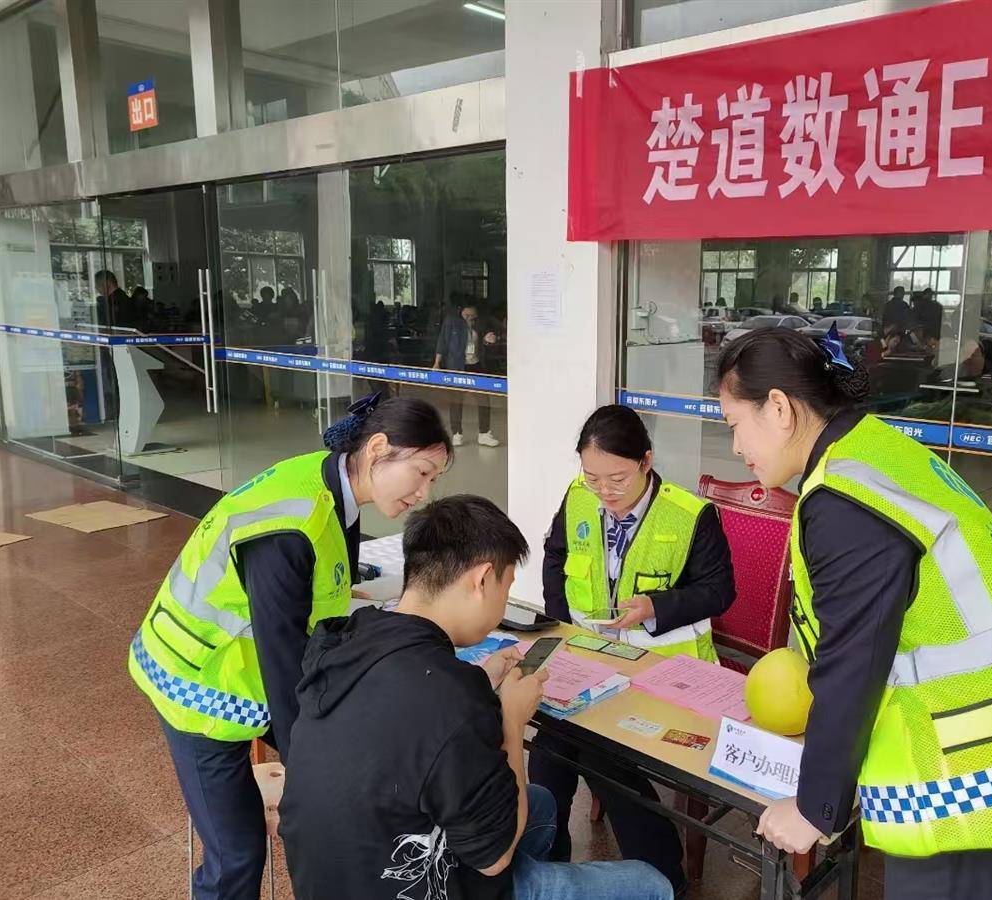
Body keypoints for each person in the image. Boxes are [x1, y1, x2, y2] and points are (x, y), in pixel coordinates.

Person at [715, 327, 992, 900]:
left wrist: (815, 806)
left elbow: (855, 661)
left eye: (734, 423)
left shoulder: (844, 499)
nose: (735, 446)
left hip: (972, 776)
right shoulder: (874, 449)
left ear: (778, 408)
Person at [128, 395, 452, 900]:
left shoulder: (333, 483)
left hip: (239, 674)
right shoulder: (293, 525)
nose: (425, 492)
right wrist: (312, 774)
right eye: (422, 472)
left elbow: (316, 606)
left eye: (434, 479)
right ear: (377, 449)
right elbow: (283, 666)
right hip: (196, 685)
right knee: (235, 856)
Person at [279, 495, 673, 900]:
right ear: (483, 580)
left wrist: (479, 683)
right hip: (413, 885)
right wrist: (512, 719)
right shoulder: (452, 696)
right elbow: (494, 857)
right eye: (507, 587)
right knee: (650, 884)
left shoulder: (350, 640)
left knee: (539, 804)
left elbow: (409, 718)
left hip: (331, 877)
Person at [531, 404, 736, 890]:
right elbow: (555, 556)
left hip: (662, 672)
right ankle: (552, 861)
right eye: (592, 478)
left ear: (646, 461)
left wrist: (656, 606)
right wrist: (562, 626)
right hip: (589, 659)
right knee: (552, 742)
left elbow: (719, 591)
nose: (604, 491)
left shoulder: (690, 515)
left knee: (588, 748)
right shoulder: (579, 497)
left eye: (617, 479)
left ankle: (661, 874)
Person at [434, 302, 501, 447]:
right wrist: (437, 363)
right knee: (456, 400)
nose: (469, 318)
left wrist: (489, 341)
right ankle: (457, 434)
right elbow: (442, 342)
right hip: (457, 366)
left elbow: (486, 342)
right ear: (461, 312)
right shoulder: (451, 321)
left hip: (476, 365)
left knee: (483, 399)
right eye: (466, 315)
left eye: (472, 316)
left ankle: (484, 434)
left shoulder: (480, 323)